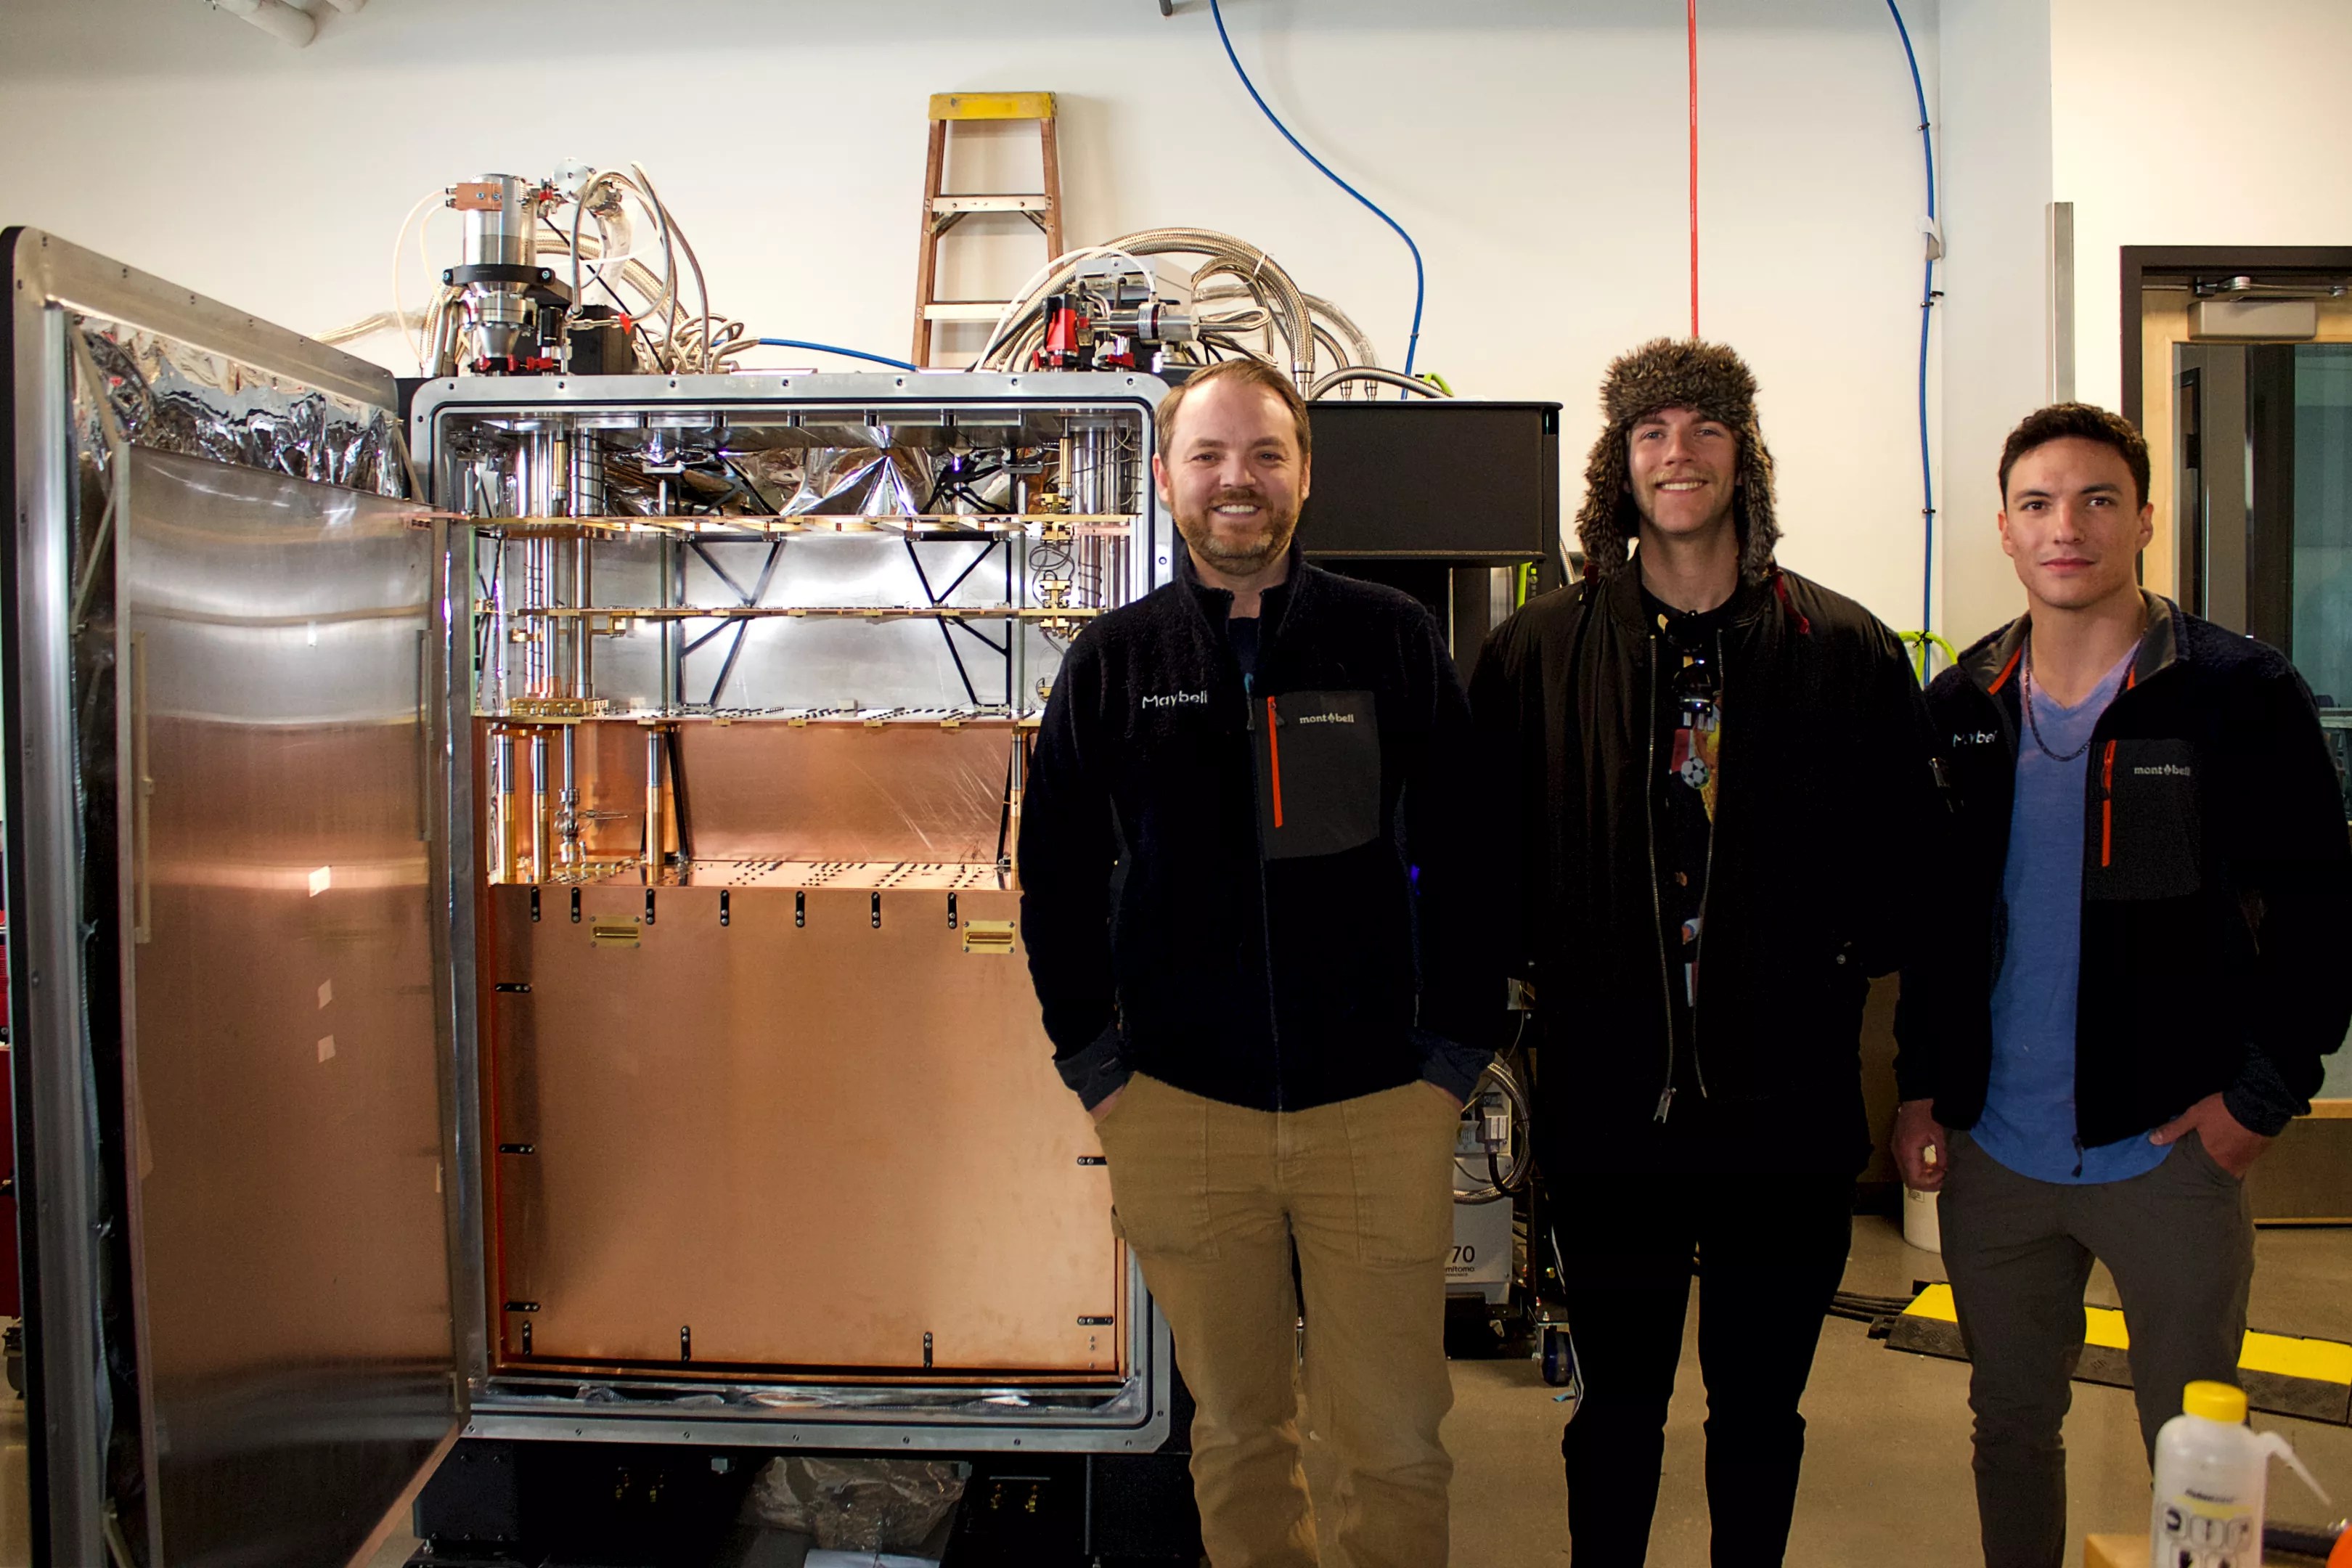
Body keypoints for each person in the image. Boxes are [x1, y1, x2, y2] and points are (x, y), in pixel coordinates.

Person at [1018, 356, 1495, 1568]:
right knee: (1236, 1431)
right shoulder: (1112, 663)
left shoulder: (1388, 639)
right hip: (1179, 1111)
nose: (1239, 481)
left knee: (1392, 1439)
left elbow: (1471, 851)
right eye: (1212, 457)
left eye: (1265, 456)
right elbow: (1057, 880)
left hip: (1379, 1107)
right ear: (1169, 478)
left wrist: (1451, 1057)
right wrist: (1098, 1064)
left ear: (1305, 475)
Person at [1471, 338, 1941, 1567]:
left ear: (1746, 456)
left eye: (1706, 429)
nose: (1678, 454)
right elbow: (1481, 865)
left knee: (1759, 1417)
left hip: (1784, 1118)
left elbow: (1912, 870)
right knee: (1615, 1413)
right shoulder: (1538, 652)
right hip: (1611, 1111)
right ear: (1617, 467)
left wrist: (1852, 980)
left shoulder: (1842, 651)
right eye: (1651, 433)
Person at [1890, 403, 2352, 1568]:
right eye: (2039, 504)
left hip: (2171, 1151)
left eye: (2098, 500)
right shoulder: (1961, 714)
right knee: (2009, 1426)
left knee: (2192, 1443)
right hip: (1998, 1150)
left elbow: (2320, 915)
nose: (2068, 528)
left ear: (2146, 518)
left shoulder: (2236, 696)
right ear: (2004, 529)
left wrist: (2260, 1101)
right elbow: (1935, 933)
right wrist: (1921, 1094)